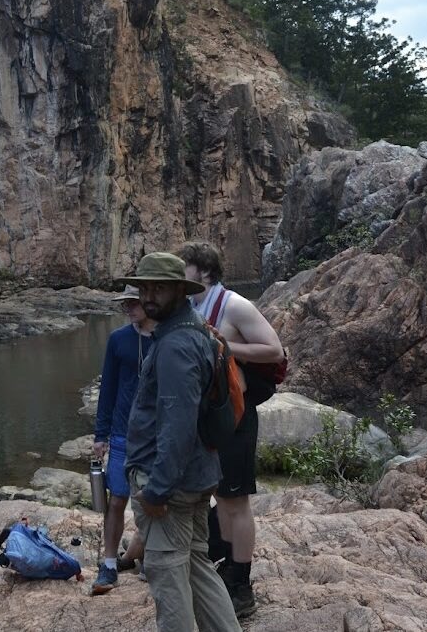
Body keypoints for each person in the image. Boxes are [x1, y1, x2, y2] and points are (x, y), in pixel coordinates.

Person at [118, 252, 241, 632]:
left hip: (171, 484)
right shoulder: (194, 329)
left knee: (167, 575)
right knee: (197, 565)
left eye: (159, 287)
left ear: (180, 290)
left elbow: (178, 424)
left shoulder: (175, 346)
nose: (149, 295)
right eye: (145, 287)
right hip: (197, 475)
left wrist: (156, 489)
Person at [178, 241, 285, 618]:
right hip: (209, 419)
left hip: (237, 418)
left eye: (184, 266)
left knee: (235, 502)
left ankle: (241, 583)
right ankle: (225, 567)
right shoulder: (190, 306)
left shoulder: (235, 305)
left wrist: (227, 345)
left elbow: (275, 351)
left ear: (203, 271)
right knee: (219, 496)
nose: (179, 274)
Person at [91, 284, 155, 595]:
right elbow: (108, 389)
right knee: (117, 500)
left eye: (133, 303)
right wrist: (100, 435)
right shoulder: (119, 339)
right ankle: (109, 563)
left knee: (152, 499)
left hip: (154, 436)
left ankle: (150, 557)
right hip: (121, 433)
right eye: (125, 304)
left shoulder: (166, 338)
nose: (128, 309)